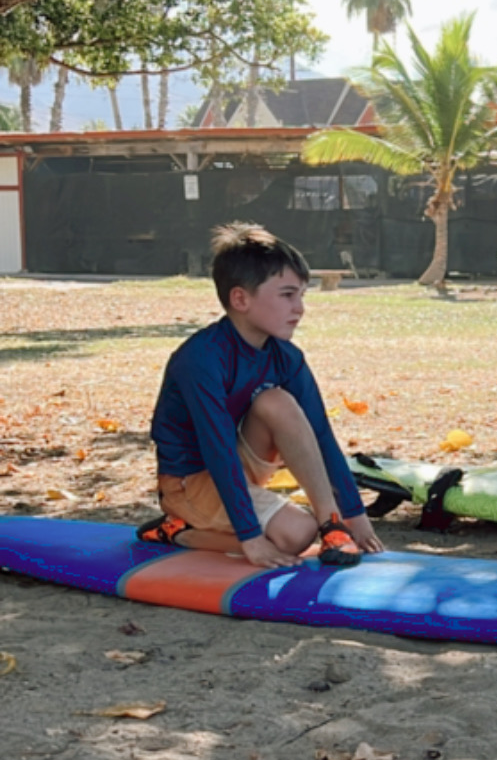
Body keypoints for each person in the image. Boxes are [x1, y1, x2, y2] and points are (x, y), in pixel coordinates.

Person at [137, 222, 384, 567]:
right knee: (297, 534)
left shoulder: (286, 356)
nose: (299, 308)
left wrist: (353, 517)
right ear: (240, 298)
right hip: (188, 482)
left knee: (277, 402)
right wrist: (251, 538)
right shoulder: (201, 358)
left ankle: (331, 525)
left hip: (235, 465)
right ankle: (177, 530)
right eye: (287, 295)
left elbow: (320, 435)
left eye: (301, 295)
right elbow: (217, 449)